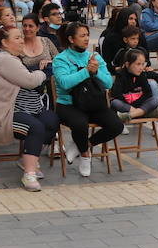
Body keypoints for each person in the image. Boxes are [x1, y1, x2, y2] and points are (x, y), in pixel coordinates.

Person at [0, 23, 58, 191]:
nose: (22, 41)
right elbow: (29, 81)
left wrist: (37, 71)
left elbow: (27, 77)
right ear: (5, 43)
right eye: (17, 37)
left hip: (16, 108)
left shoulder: (13, 58)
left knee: (51, 121)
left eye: (21, 37)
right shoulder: (3, 59)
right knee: (35, 127)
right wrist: (44, 71)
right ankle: (29, 174)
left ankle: (27, 158)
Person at [51, 21, 122, 177]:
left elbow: (109, 82)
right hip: (69, 104)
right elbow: (64, 83)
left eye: (87, 35)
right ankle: (85, 155)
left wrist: (96, 72)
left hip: (94, 102)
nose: (86, 39)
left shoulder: (94, 56)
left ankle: (82, 146)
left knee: (116, 125)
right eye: (82, 36)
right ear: (71, 39)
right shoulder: (61, 59)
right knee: (79, 124)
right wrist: (86, 71)